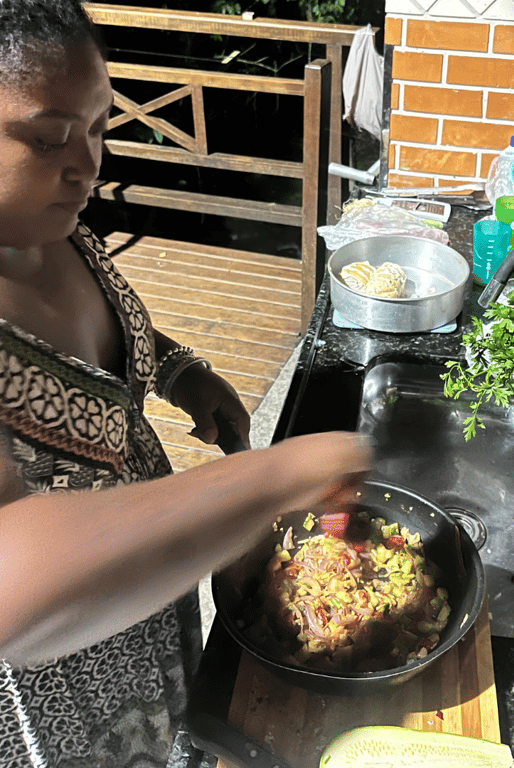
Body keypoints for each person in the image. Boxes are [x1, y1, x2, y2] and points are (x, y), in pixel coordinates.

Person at [0, 1, 372, 766]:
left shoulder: (54, 226)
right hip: (59, 687)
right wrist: (274, 477)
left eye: (100, 127)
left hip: (146, 595)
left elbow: (107, 345)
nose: (88, 164)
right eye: (49, 138)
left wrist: (180, 373)